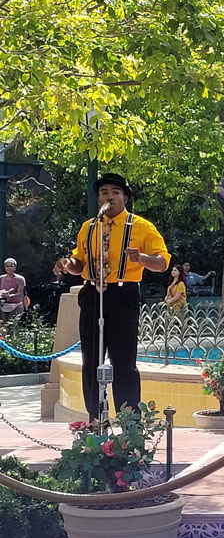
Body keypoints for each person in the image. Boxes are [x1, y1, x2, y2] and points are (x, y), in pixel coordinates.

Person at [53, 173, 170, 421]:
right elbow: (79, 263)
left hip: (123, 293)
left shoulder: (141, 226)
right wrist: (68, 264)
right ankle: (95, 420)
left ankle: (130, 423)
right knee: (91, 361)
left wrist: (142, 259)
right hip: (92, 294)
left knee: (124, 363)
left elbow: (162, 263)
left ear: (124, 198)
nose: (109, 197)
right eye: (104, 192)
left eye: (115, 192)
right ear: (99, 199)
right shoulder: (89, 227)